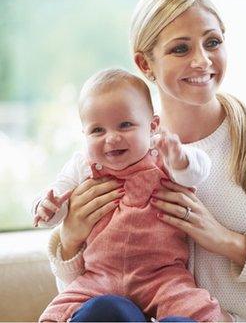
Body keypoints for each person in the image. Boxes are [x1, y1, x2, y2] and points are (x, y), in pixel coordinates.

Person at [44, 0, 246, 322]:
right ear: (145, 64)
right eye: (180, 49)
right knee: (103, 311)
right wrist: (70, 242)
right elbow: (84, 297)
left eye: (212, 43)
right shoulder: (115, 149)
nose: (202, 60)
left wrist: (228, 242)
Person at [34, 68, 231, 322]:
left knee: (197, 309)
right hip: (99, 276)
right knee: (60, 311)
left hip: (161, 276)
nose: (112, 138)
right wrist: (46, 207)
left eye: (125, 125)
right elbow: (58, 199)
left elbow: (197, 171)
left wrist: (180, 159)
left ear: (152, 127)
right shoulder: (83, 166)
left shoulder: (163, 156)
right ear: (84, 134)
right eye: (97, 131)